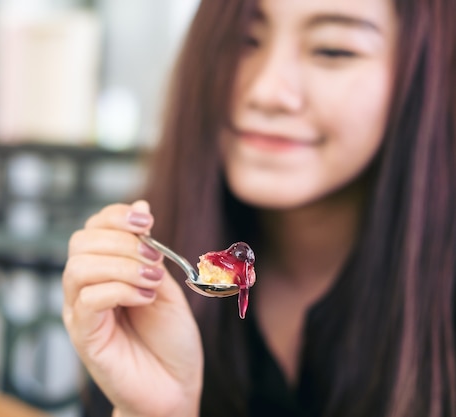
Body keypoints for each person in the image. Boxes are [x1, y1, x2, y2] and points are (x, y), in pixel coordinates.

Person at [62, 0, 456, 415]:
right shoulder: (155, 273)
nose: (266, 92)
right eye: (243, 40)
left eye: (332, 50)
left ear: (423, 71)